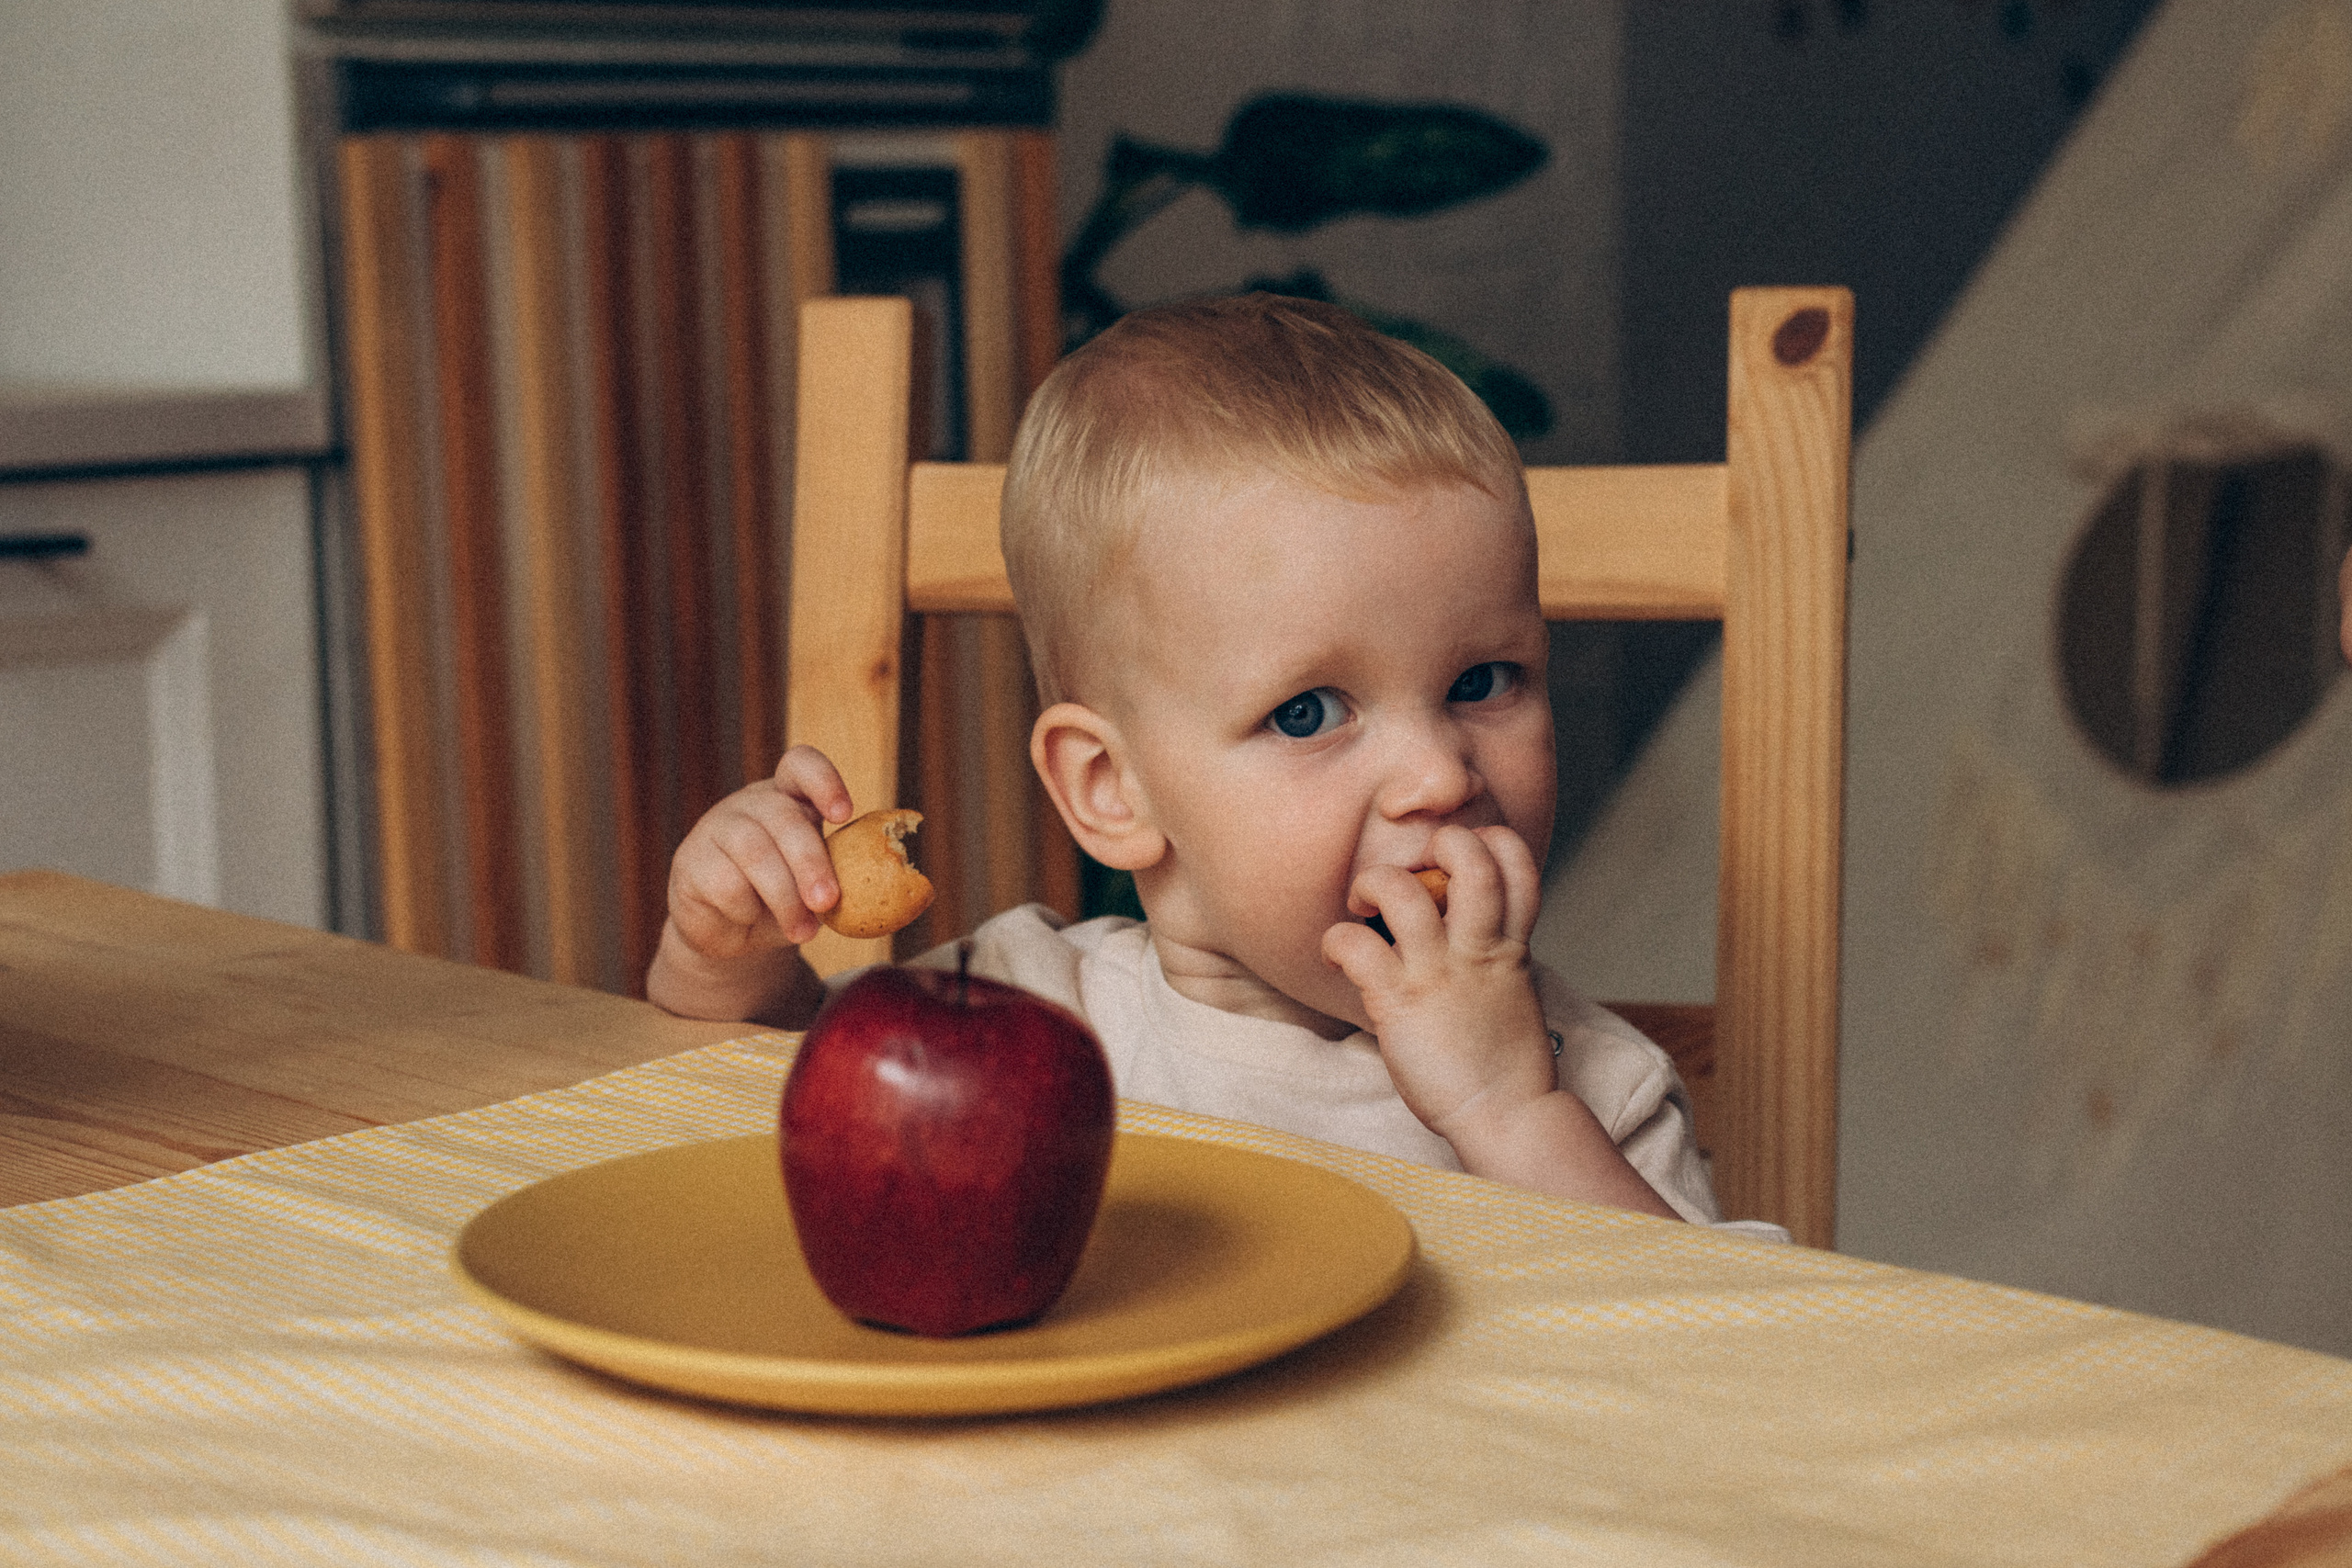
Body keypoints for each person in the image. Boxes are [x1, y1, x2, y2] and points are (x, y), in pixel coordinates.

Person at [647, 293, 1724, 1224]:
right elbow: (740, 1136)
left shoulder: (1586, 1086)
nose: (1441, 774)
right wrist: (726, 961)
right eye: (1308, 713)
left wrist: (1506, 1112)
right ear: (1112, 790)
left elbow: (1749, 1374)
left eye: (1481, 682)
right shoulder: (1025, 1015)